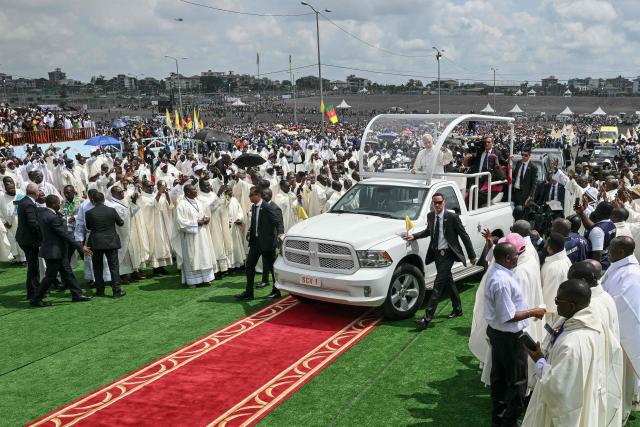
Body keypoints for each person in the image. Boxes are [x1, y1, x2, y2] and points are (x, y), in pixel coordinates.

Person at [522, 279, 614, 426]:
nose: (555, 303)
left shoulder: (572, 344)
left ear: (572, 306)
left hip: (561, 414)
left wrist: (539, 360)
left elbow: (558, 387)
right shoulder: (590, 321)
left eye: (558, 300)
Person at [484, 242, 546, 427]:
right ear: (507, 258)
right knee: (517, 382)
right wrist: (533, 312)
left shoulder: (498, 272)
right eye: (516, 254)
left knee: (500, 379)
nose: (519, 257)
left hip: (500, 335)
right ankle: (509, 422)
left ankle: (500, 419)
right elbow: (508, 316)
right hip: (508, 338)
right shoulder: (502, 281)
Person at [404, 192, 477, 329]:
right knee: (448, 281)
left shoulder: (452, 217)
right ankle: (458, 309)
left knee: (437, 286)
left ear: (444, 202)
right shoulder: (431, 216)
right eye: (435, 203)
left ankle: (427, 318)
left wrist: (471, 255)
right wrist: (414, 236)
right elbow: (428, 231)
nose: (437, 205)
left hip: (448, 254)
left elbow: (464, 236)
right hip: (437, 254)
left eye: (439, 202)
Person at [30, 195, 93, 307]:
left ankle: (77, 294)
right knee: (50, 276)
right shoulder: (52, 218)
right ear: (54, 204)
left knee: (67, 273)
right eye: (58, 203)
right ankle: (36, 298)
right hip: (55, 252)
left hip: (54, 250)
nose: (60, 205)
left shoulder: (43, 213)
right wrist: (80, 247)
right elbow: (65, 235)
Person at [602, 236, 640, 422]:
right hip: (612, 330)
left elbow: (627, 307)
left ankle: (621, 413)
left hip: (621, 335)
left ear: (621, 252)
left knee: (621, 378)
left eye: (611, 248)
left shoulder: (631, 274)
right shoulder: (618, 266)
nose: (607, 251)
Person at [236, 186, 284, 301]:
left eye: (251, 195)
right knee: (249, 266)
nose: (249, 197)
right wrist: (250, 231)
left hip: (267, 243)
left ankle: (276, 291)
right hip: (255, 242)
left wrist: (280, 234)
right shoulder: (254, 207)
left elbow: (278, 221)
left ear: (258, 195)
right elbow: (255, 223)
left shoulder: (268, 206)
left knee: (272, 268)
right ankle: (249, 292)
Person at [85, 191, 126, 298]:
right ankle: (117, 291)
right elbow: (121, 223)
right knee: (114, 267)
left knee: (97, 267)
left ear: (93, 201)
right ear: (103, 200)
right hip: (111, 241)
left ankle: (100, 290)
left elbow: (88, 227)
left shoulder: (89, 213)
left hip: (96, 242)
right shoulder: (111, 210)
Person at [175, 184, 216, 288]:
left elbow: (202, 214)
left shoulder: (198, 202)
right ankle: (192, 281)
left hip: (201, 234)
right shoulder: (181, 205)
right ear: (188, 192)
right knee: (192, 257)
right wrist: (196, 222)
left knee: (203, 255)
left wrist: (206, 218)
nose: (196, 191)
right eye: (194, 189)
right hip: (190, 237)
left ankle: (205, 278)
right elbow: (180, 223)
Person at [15, 183, 42, 300]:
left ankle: (35, 288)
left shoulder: (23, 201)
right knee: (33, 267)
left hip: (23, 238)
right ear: (36, 193)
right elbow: (33, 224)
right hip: (29, 240)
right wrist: (41, 236)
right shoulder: (29, 204)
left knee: (33, 266)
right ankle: (32, 292)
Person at [540, 232, 572, 324]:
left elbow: (549, 296)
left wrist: (542, 312)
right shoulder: (565, 259)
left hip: (552, 315)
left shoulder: (553, 268)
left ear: (549, 248)